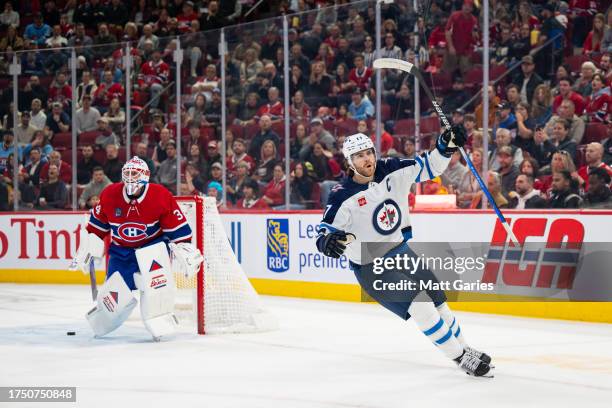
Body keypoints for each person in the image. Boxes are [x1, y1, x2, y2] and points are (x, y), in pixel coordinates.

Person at [315, 128, 493, 377]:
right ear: (349, 161)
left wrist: (444, 146)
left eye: (369, 152)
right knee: (421, 305)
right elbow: (325, 231)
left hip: (402, 250)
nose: (367, 159)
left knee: (438, 300)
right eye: (359, 156)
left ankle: (465, 348)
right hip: (371, 266)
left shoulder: (391, 168)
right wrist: (326, 242)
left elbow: (430, 166)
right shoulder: (341, 196)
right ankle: (460, 357)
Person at [70, 156, 203, 341]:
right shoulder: (110, 194)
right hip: (121, 251)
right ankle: (104, 319)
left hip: (153, 250)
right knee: (113, 301)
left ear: (146, 176)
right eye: (128, 173)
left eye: (135, 173)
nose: (131, 177)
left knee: (156, 290)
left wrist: (185, 251)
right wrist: (85, 252)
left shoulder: (160, 195)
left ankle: (160, 321)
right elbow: (95, 230)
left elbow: (180, 233)